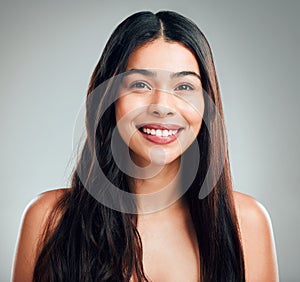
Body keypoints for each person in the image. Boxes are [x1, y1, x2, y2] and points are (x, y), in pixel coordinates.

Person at [12, 10, 279, 282]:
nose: (162, 106)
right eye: (140, 84)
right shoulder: (48, 219)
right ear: (109, 98)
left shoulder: (247, 224)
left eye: (184, 86)